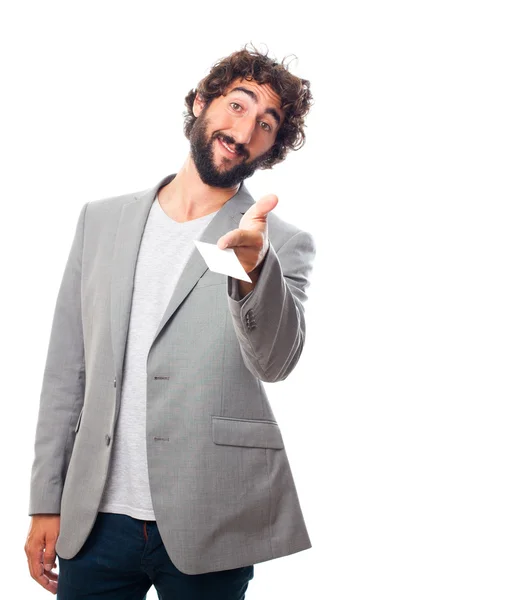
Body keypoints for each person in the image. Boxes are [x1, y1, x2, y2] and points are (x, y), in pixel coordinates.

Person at [25, 43, 316, 599]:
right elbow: (67, 370)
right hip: (94, 520)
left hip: (212, 518)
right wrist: (45, 498)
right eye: (238, 104)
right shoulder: (101, 221)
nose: (245, 129)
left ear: (271, 148)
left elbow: (275, 362)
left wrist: (254, 270)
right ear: (203, 102)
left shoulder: (283, 244)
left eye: (266, 124)